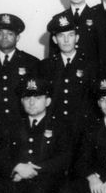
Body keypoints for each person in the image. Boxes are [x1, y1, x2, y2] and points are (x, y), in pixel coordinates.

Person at [0, 13, 39, 146]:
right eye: (0, 33)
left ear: (18, 37)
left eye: (10, 33)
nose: (4, 37)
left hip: (22, 128)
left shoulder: (31, 62)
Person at [39, 13, 98, 149]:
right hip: (54, 132)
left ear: (77, 38)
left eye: (70, 35)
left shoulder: (90, 65)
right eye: (61, 36)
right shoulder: (45, 66)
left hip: (83, 131)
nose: (66, 40)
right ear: (54, 39)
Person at [52, 0, 106, 68]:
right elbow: (53, 56)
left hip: (91, 74)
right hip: (66, 73)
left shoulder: (99, 17)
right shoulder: (58, 20)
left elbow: (104, 54)